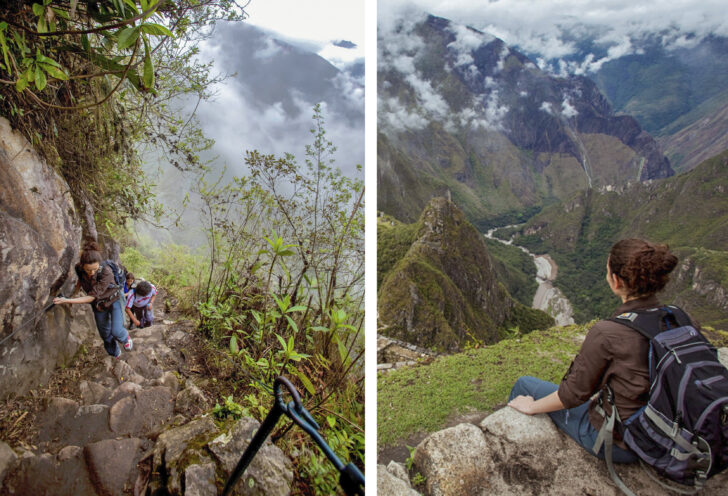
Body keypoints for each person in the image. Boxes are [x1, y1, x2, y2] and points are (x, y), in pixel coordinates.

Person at [507, 238, 689, 464]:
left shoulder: (609, 332)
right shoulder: (679, 318)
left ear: (615, 280)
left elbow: (571, 394)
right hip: (676, 434)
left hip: (625, 442)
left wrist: (531, 406)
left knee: (524, 385)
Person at [53, 241, 132, 358]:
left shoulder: (106, 272)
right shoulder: (79, 268)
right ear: (82, 265)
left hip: (114, 299)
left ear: (99, 264)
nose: (92, 273)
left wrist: (66, 300)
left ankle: (125, 338)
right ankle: (114, 352)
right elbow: (81, 280)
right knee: (105, 334)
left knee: (116, 331)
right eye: (88, 270)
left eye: (95, 269)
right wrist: (74, 294)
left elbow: (92, 296)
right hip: (99, 304)